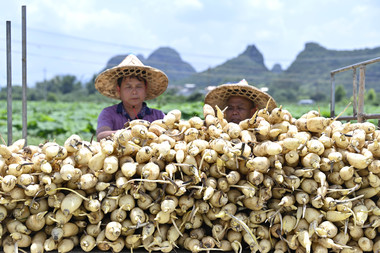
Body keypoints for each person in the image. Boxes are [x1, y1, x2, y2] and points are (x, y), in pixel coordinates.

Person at [95, 54, 169, 140]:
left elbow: (172, 132)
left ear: (145, 89)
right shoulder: (108, 113)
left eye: (139, 87)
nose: (134, 92)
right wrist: (134, 132)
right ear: (119, 90)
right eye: (128, 87)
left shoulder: (158, 116)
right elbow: (101, 136)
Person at [204, 79, 277, 123]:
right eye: (230, 108)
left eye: (240, 108)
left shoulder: (261, 135)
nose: (234, 113)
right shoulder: (216, 133)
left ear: (253, 112)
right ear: (224, 112)